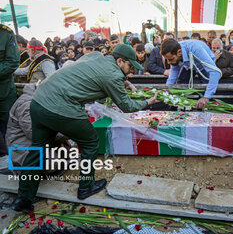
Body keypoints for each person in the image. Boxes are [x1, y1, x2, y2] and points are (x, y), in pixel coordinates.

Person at [10, 44, 159, 212]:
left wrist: (122, 82)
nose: (131, 71)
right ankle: (85, 187)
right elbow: (126, 105)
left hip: (38, 102)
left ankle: (23, 198)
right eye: (130, 66)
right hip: (60, 106)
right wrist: (148, 102)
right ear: (119, 61)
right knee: (90, 142)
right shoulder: (112, 74)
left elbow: (93, 77)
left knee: (37, 149)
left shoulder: (95, 55)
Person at [161, 39, 221, 109]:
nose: (168, 63)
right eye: (167, 60)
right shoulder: (174, 49)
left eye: (170, 59)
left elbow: (215, 72)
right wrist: (167, 88)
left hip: (203, 66)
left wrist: (206, 97)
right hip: (188, 65)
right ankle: (179, 109)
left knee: (205, 93)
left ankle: (204, 110)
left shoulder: (195, 48)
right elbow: (174, 70)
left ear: (179, 52)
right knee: (180, 88)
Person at [0, 14, 20, 155]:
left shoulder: (6, 33)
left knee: (10, 128)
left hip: (4, 92)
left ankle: (15, 162)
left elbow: (13, 61)